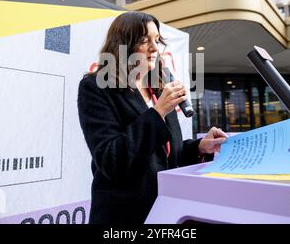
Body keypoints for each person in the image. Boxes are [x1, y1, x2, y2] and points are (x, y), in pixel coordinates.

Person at [77, 11, 227, 224]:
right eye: (144, 40)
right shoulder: (96, 87)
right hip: (123, 217)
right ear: (123, 46)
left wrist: (200, 147)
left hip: (165, 212)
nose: (155, 48)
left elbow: (164, 155)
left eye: (156, 40)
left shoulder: (157, 88)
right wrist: (158, 113)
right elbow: (111, 161)